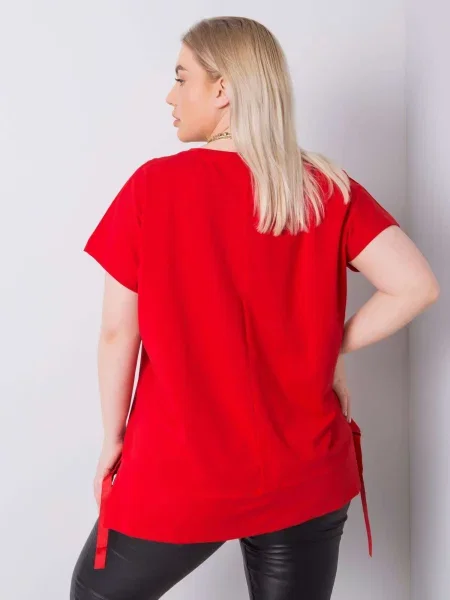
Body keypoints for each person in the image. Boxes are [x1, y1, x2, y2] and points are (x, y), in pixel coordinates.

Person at [70, 16, 440, 600]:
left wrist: (113, 440)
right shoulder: (322, 185)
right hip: (305, 473)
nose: (170, 96)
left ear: (222, 89)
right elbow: (415, 285)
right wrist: (327, 346)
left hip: (181, 472)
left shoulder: (153, 187)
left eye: (181, 77)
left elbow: (119, 333)